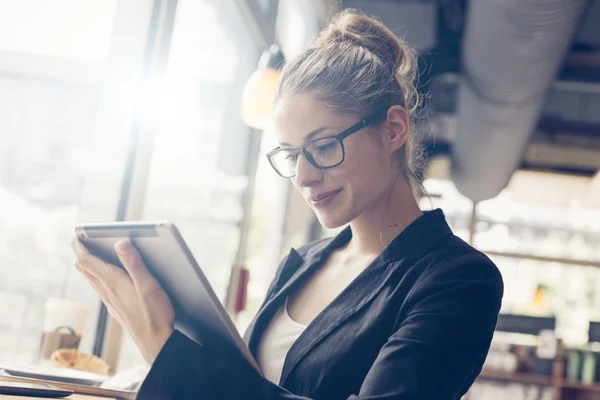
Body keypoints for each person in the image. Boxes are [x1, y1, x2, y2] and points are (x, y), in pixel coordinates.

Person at [72, 9, 503, 400]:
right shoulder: (303, 262)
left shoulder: (458, 280)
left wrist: (169, 356)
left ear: (392, 129)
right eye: (292, 154)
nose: (303, 176)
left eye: (323, 146)